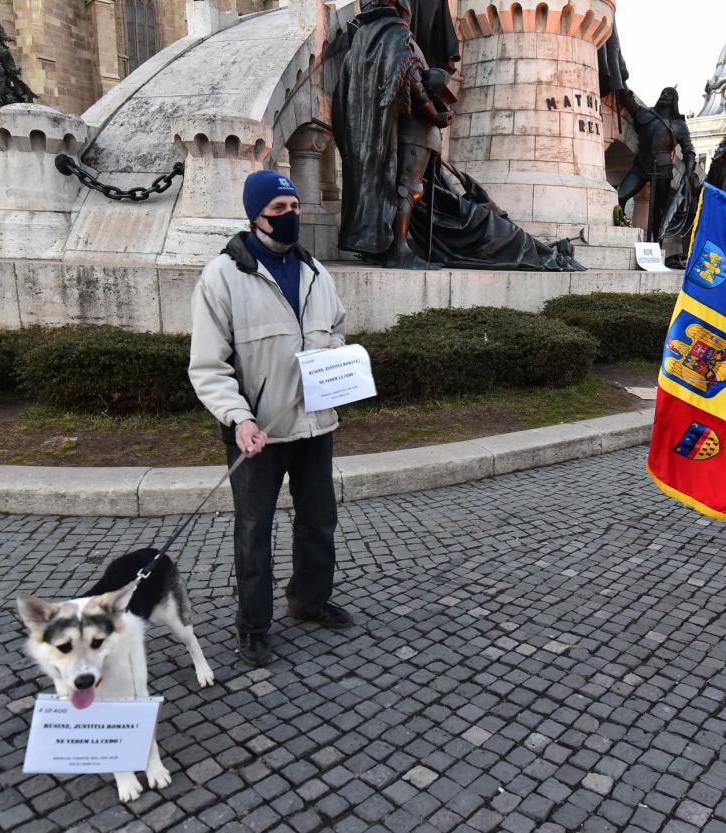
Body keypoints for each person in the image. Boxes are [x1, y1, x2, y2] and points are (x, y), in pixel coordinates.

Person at [188, 169, 352, 667]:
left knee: (319, 519)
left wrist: (337, 354)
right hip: (256, 432)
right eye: (279, 210)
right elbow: (208, 366)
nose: (290, 217)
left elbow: (338, 326)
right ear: (255, 216)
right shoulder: (222, 276)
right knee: (255, 531)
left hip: (315, 423)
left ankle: (309, 600)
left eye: (294, 207)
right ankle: (254, 625)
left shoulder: (315, 272)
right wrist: (238, 418)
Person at [334, 0, 453, 269]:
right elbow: (409, 77)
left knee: (395, 187)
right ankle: (399, 250)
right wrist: (437, 114)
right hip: (414, 129)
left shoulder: (363, 36)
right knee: (409, 188)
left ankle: (382, 247)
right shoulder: (397, 33)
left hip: (382, 129)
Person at [614, 86, 696, 243]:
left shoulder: (679, 125)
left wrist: (688, 172)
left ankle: (656, 247)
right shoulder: (645, 114)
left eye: (669, 94)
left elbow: (689, 150)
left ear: (674, 101)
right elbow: (627, 101)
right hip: (641, 166)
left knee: (660, 213)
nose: (665, 95)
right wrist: (620, 84)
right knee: (620, 196)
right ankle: (620, 235)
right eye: (663, 93)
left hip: (663, 169)